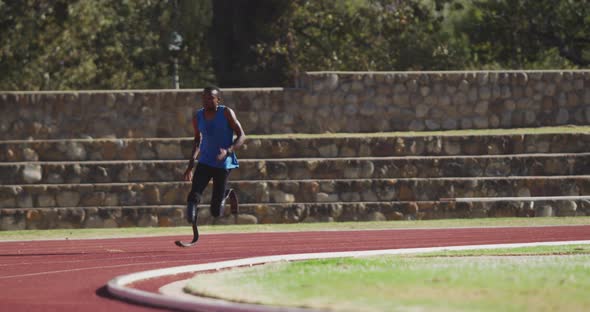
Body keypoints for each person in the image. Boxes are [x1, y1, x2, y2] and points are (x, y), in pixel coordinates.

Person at [176, 86, 246, 247]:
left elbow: (242, 135)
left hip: (223, 163)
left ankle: (227, 193)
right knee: (193, 196)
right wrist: (191, 164)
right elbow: (197, 140)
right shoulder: (198, 116)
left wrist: (228, 151)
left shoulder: (226, 112)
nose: (207, 101)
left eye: (210, 98)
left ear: (217, 100)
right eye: (204, 98)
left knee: (216, 212)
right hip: (205, 162)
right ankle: (193, 228)